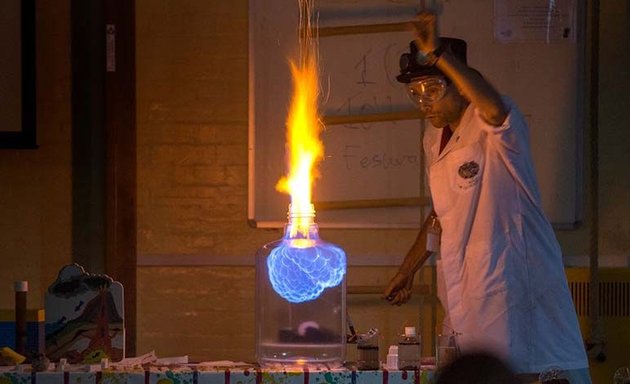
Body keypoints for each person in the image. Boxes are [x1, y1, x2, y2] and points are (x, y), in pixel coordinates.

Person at [382, 11, 591, 383]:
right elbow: (442, 213)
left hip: (511, 280)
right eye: (415, 93)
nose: (424, 102)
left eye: (433, 89)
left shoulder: (490, 124)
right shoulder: (435, 138)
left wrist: (440, 55)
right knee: (482, 370)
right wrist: (407, 269)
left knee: (526, 368)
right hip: (468, 285)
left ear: (460, 84)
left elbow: (495, 108)